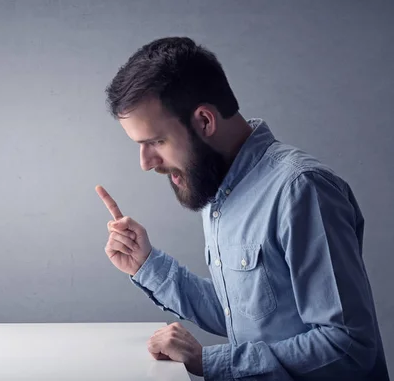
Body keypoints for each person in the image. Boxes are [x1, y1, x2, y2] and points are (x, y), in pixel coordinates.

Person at [96, 36, 389, 380]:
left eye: (156, 142)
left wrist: (208, 362)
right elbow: (243, 314)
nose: (146, 163)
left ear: (204, 121)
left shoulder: (302, 190)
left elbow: (348, 346)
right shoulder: (219, 188)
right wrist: (146, 265)